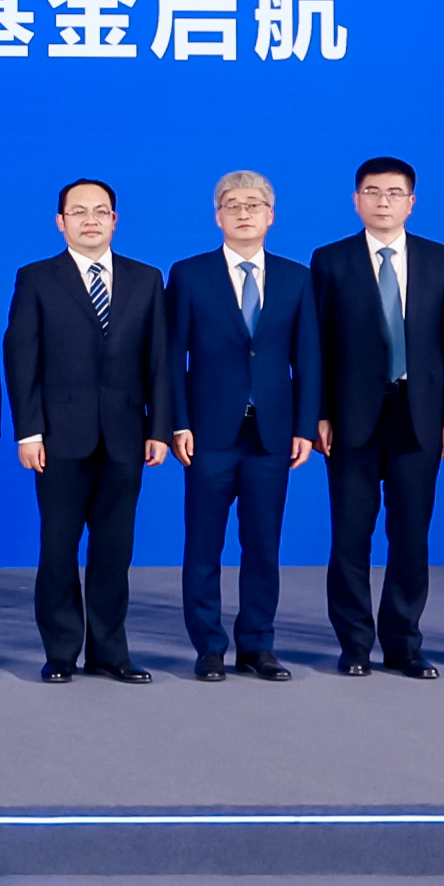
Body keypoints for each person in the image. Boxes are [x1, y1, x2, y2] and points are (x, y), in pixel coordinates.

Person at [310, 155, 444, 677]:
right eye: (373, 192)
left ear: (411, 203)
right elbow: (317, 347)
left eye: (394, 193)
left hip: (419, 416)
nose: (383, 202)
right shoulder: (330, 260)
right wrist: (319, 414)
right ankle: (355, 643)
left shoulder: (440, 259)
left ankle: (403, 643)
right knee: (349, 537)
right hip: (351, 420)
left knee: (410, 537)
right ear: (356, 201)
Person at [6, 178, 169, 683]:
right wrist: (28, 432)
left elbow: (160, 361)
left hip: (126, 434)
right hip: (58, 437)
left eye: (101, 211)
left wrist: (159, 429)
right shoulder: (36, 278)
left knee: (114, 551)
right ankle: (60, 651)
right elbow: (21, 359)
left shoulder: (146, 279)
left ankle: (109, 651)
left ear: (115, 220)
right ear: (61, 222)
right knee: (58, 548)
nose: (90, 220)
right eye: (78, 212)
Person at [164, 171, 318, 681]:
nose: (244, 212)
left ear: (271, 216)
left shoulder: (297, 277)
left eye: (254, 204)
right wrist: (178, 423)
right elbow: (171, 357)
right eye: (233, 204)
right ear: (218, 216)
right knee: (203, 546)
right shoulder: (189, 274)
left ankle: (257, 645)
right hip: (208, 433)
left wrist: (305, 427)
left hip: (272, 435)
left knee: (264, 547)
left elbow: (308, 359)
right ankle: (209, 646)